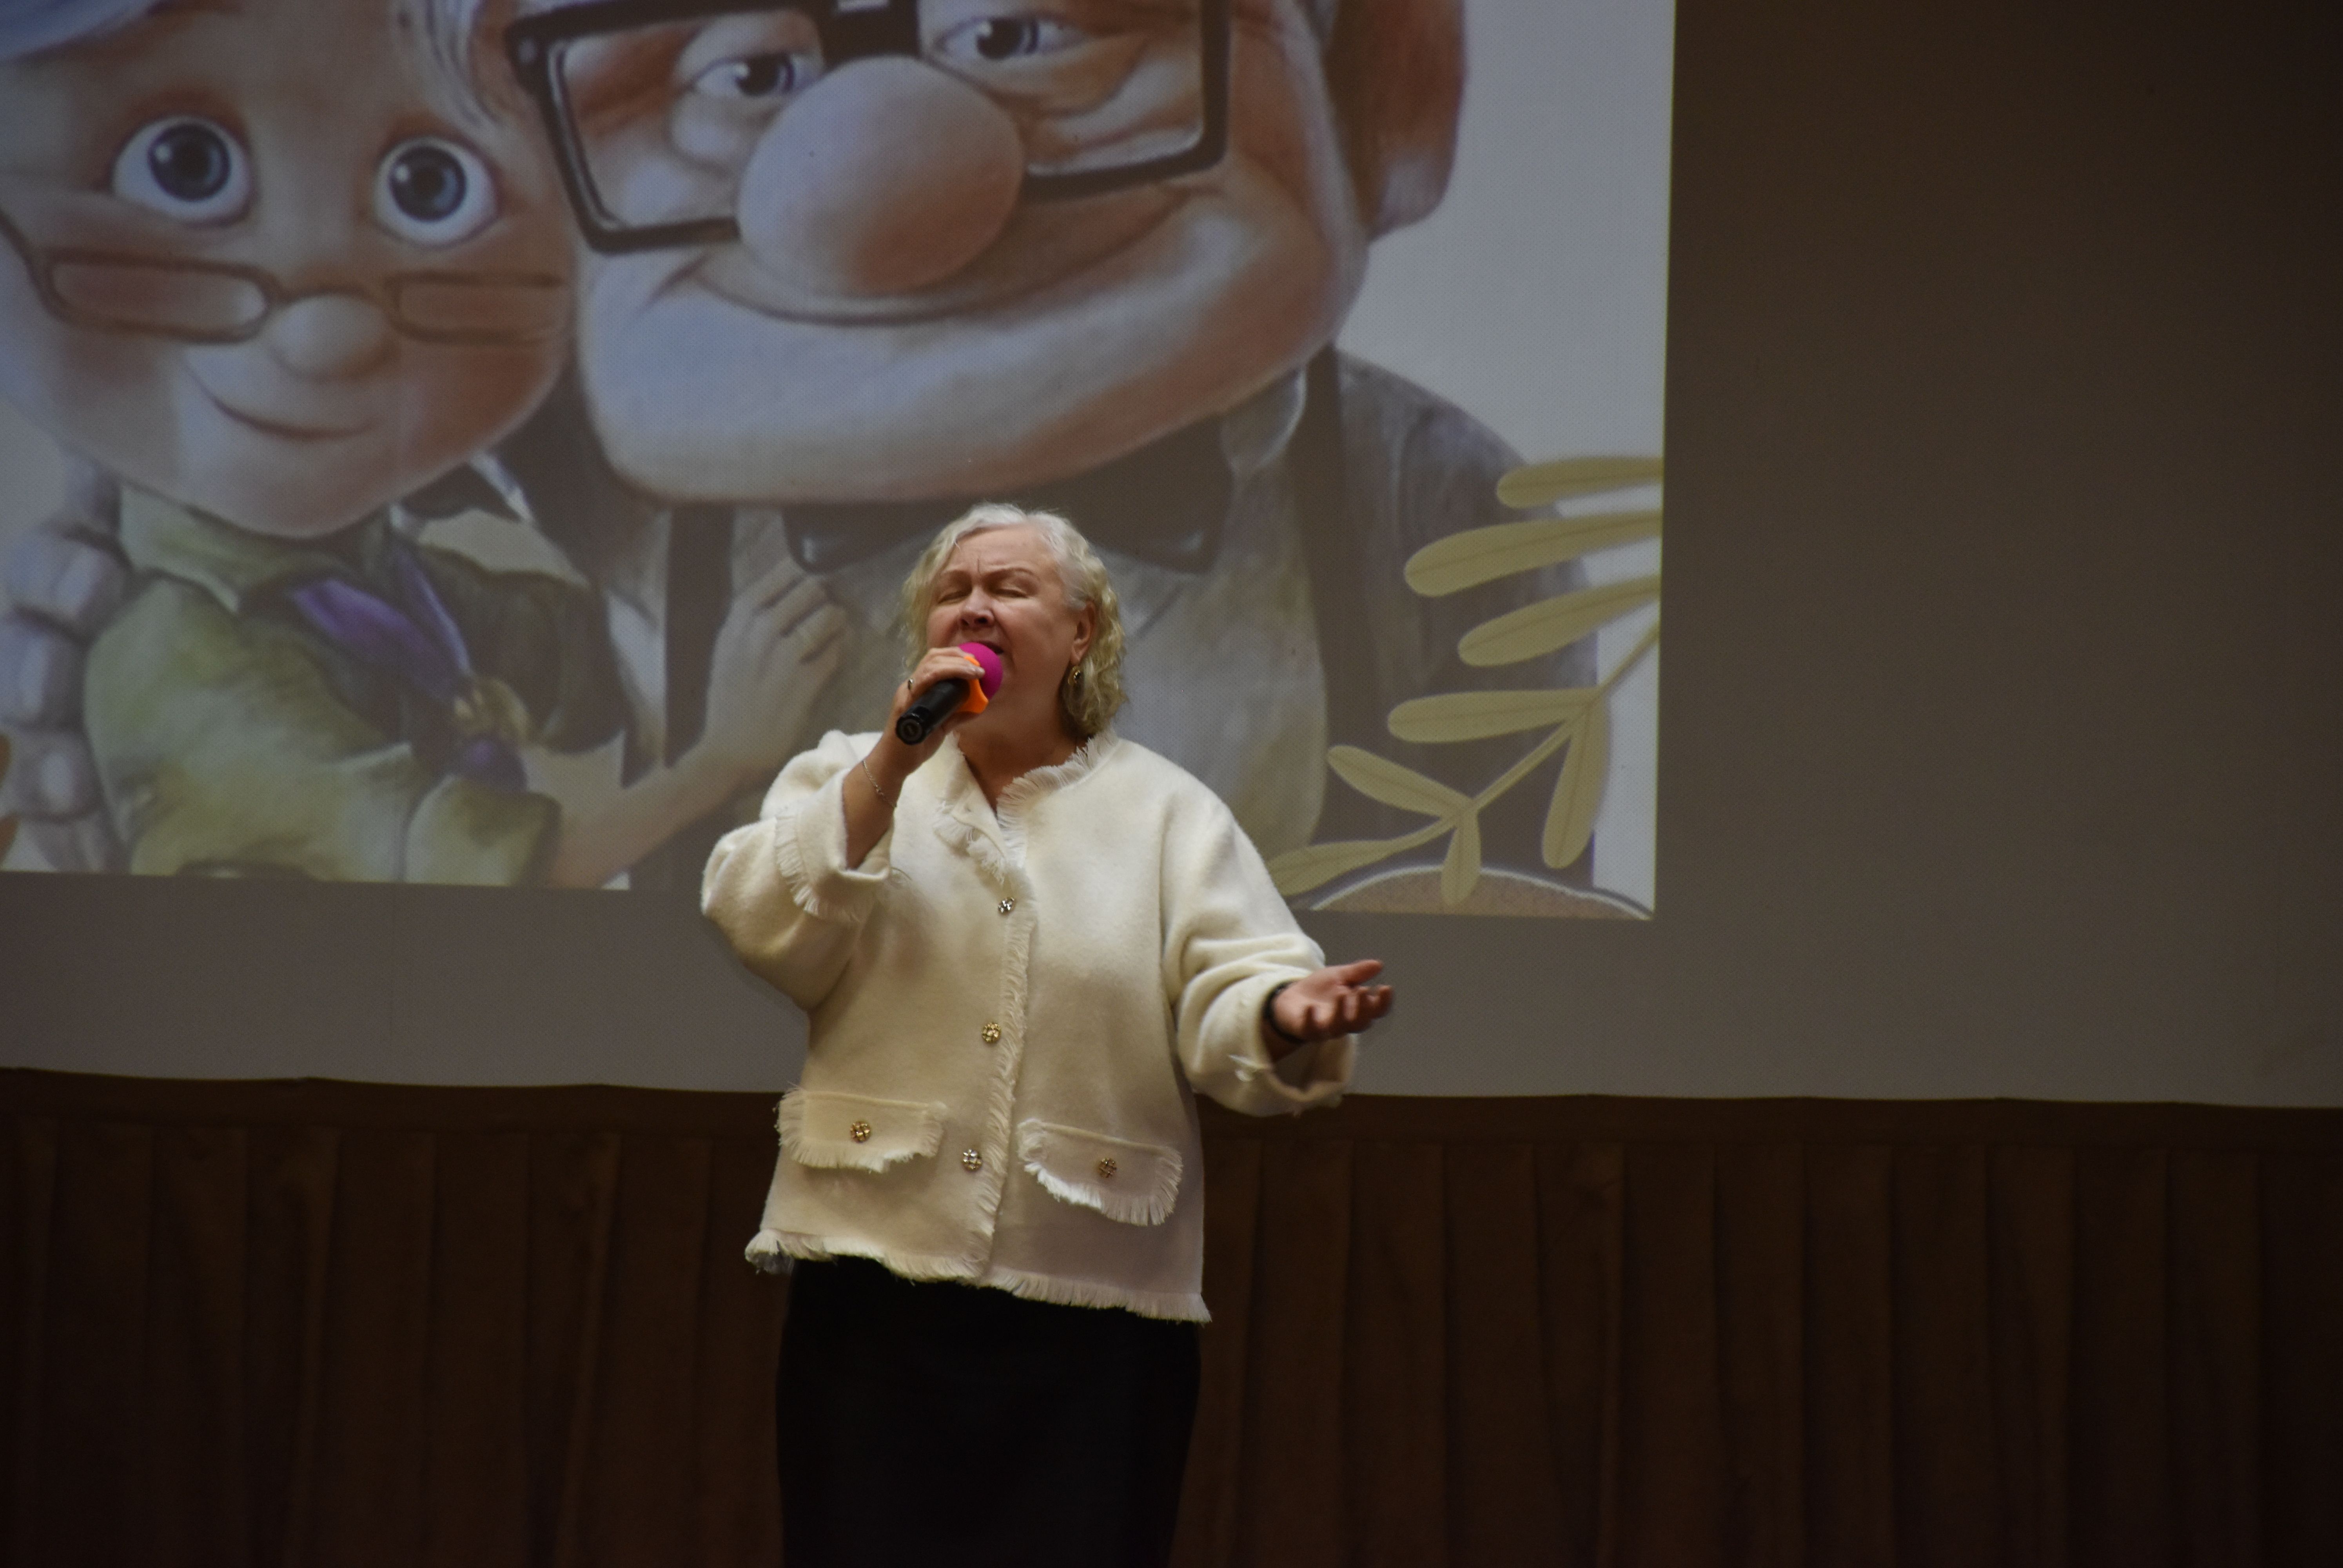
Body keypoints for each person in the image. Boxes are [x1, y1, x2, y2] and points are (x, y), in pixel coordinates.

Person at [3, 0, 1605, 907]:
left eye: (1027, 25)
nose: (877, 187)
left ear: (1383, 81)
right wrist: (103, 561)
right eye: (750, 73)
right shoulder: (585, 473)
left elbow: (1510, 961)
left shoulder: (1429, 507)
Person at [0, 0, 844, 882]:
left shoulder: (369, 573)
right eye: (186, 167)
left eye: (430, 185)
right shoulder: (184, 657)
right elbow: (500, 875)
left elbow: (557, 654)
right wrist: (721, 759)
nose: (325, 338)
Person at [701, 504, 1392, 1563]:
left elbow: (1238, 981)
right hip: (875, 1303)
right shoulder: (854, 777)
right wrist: (892, 762)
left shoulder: (1169, 813)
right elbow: (757, 917)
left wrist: (1278, 1013)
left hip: (1095, 1324)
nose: (976, 604)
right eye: (954, 590)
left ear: (1082, 633)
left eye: (1011, 587)